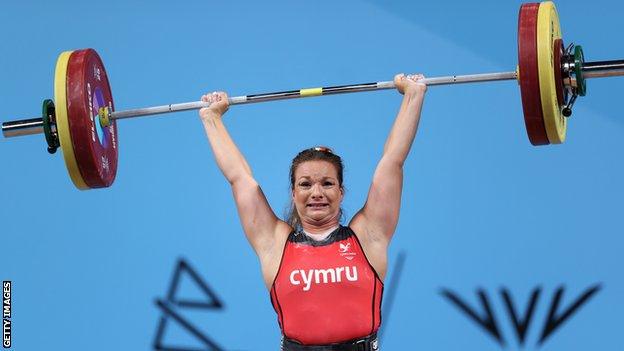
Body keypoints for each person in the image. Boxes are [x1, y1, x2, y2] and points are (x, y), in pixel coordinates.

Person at [199, 73, 427, 351]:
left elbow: (393, 161)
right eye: (305, 184)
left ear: (341, 192)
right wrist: (212, 118)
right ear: (293, 193)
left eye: (327, 183)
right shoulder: (275, 243)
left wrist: (413, 96)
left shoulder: (368, 236)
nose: (316, 193)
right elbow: (239, 178)